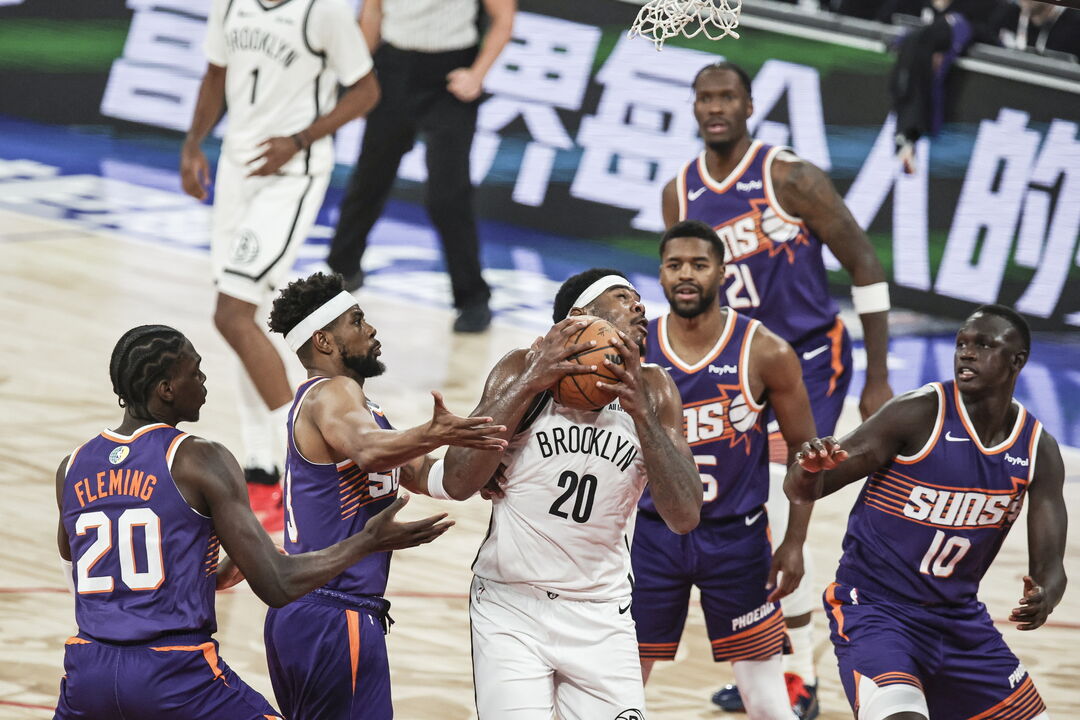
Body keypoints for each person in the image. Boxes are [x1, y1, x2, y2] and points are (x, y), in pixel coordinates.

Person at [54, 324, 452, 719]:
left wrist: (211, 573)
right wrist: (367, 541)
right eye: (195, 371)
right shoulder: (199, 457)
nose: (204, 379)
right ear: (166, 389)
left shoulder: (70, 467)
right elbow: (278, 585)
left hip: (86, 674)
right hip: (175, 676)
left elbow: (93, 562)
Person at [666, 60, 894, 716]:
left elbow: (865, 263)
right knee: (735, 516)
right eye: (704, 96)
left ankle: (803, 678)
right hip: (738, 368)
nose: (715, 107)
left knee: (771, 501)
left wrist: (878, 376)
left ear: (749, 105)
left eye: (727, 96)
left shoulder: (789, 178)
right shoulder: (679, 193)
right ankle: (768, 666)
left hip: (812, 360)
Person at [435, 268, 702, 718]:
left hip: (601, 614)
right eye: (623, 297)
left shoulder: (654, 389)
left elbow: (685, 516)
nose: (640, 306)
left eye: (640, 300)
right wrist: (532, 382)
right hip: (511, 607)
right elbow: (459, 480)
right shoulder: (521, 368)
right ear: (579, 317)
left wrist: (641, 413)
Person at [786, 305, 1066, 720]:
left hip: (961, 624)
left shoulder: (1036, 448)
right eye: (962, 344)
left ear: (1016, 360)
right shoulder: (918, 413)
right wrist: (808, 469)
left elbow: (1051, 568)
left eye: (984, 345)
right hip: (877, 613)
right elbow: (806, 488)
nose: (966, 354)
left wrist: (1045, 597)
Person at [262, 271, 507, 719]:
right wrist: (434, 432)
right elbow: (370, 451)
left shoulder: (360, 408)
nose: (371, 330)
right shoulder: (331, 394)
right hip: (335, 612)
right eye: (357, 321)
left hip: (313, 612)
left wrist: (486, 461)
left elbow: (437, 480)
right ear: (324, 341)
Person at [180, 0, 380, 531]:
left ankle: (296, 459)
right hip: (236, 166)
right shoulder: (229, 4)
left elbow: (366, 91)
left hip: (291, 173)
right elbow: (215, 73)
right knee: (250, 321)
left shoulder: (324, 11)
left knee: (232, 314)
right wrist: (193, 143)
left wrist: (298, 140)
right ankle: (261, 468)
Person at [634, 220, 818, 719]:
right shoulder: (637, 349)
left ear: (722, 271)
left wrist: (795, 541)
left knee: (765, 697)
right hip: (652, 537)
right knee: (624, 684)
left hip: (737, 541)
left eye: (699, 264)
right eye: (675, 265)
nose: (686, 275)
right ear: (661, 274)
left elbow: (806, 455)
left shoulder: (766, 351)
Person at [326, 0, 516, 334]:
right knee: (370, 179)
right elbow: (372, 11)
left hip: (449, 75)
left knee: (448, 195)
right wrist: (358, 73)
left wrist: (478, 74)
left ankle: (472, 298)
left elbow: (503, 18)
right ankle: (342, 271)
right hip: (392, 67)